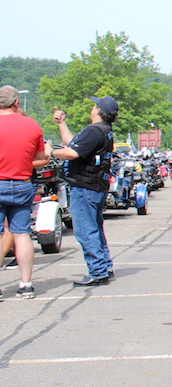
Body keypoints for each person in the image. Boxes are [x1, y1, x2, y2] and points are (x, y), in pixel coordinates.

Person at [53, 96, 118, 287]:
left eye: (94, 105)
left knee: (84, 230)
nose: (92, 108)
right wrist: (61, 123)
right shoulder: (104, 131)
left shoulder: (93, 131)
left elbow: (72, 152)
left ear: (98, 110)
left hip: (85, 186)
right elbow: (74, 143)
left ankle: (97, 271)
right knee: (95, 228)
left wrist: (49, 151)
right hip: (96, 186)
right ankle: (104, 266)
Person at [0, 86, 52, 299]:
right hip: (22, 183)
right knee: (21, 234)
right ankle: (26, 284)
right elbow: (39, 158)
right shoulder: (31, 125)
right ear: (16, 103)